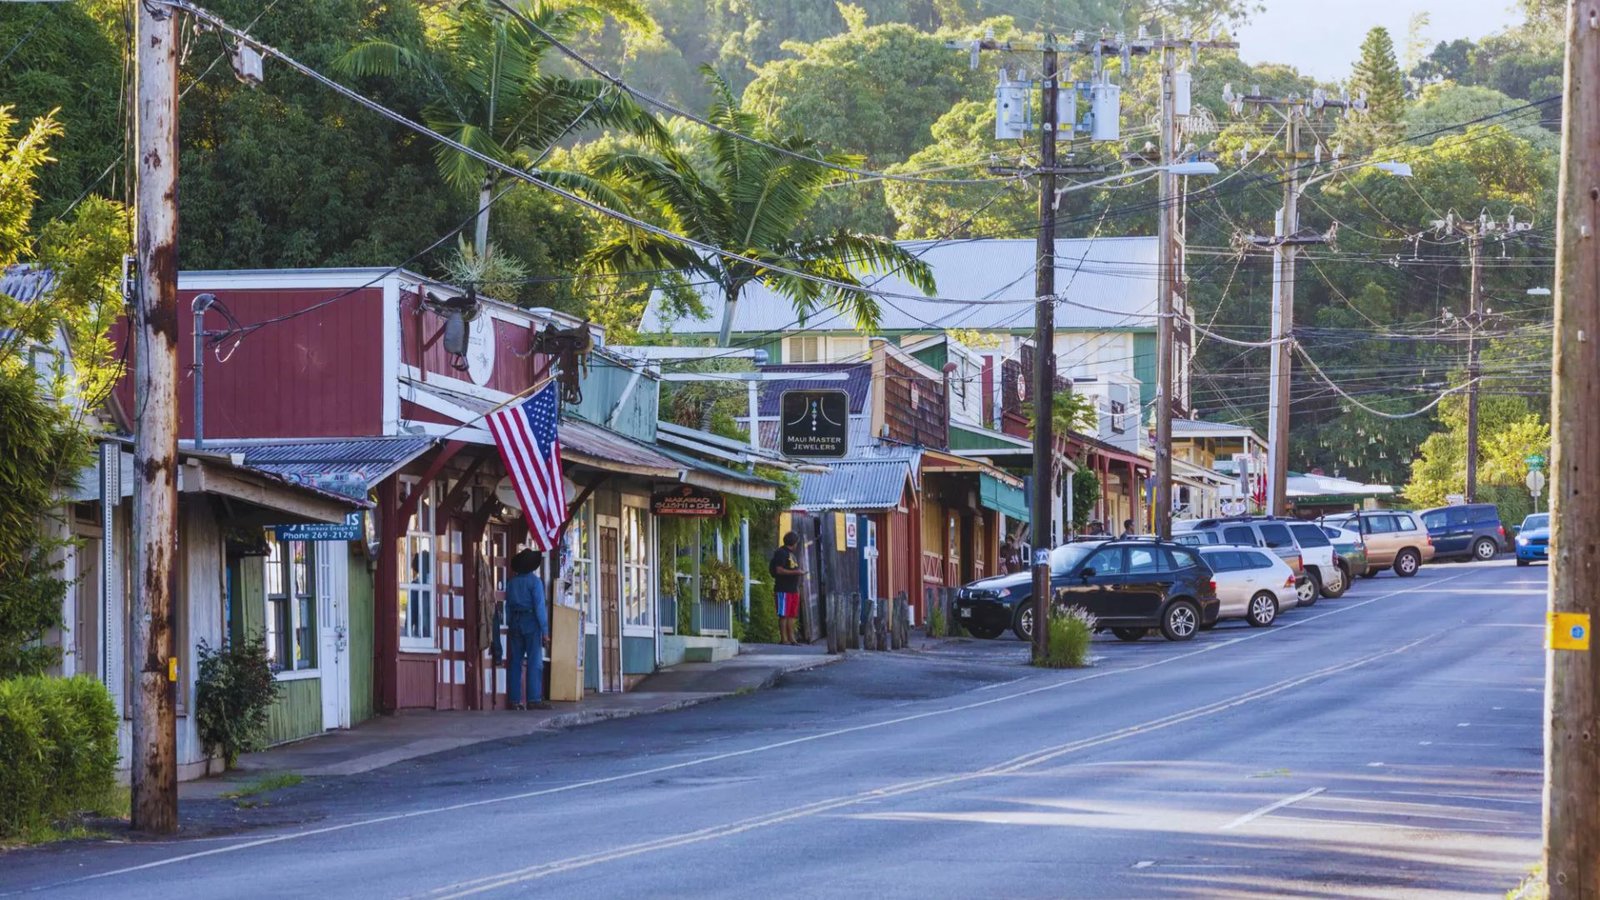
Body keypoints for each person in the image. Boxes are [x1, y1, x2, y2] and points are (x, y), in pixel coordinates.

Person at [505, 548, 550, 710]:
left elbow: (507, 607)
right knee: (534, 661)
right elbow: (539, 608)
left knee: (515, 661)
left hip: (515, 622)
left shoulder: (511, 583)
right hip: (531, 622)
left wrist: (510, 623)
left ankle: (514, 699)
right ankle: (533, 698)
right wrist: (545, 631)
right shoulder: (535, 582)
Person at [770, 532, 805, 645]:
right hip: (783, 588)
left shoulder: (791, 554)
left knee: (792, 614)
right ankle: (784, 639)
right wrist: (796, 572)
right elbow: (778, 570)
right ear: (794, 542)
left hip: (793, 588)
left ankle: (792, 638)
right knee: (784, 614)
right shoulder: (781, 553)